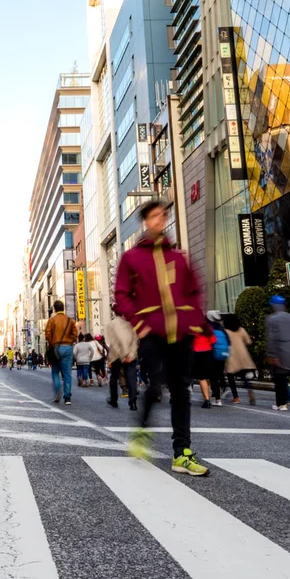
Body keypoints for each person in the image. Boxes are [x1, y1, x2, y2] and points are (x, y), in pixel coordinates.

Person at [113, 199, 210, 476]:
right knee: (155, 386)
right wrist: (140, 322)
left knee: (181, 390)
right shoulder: (131, 258)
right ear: (145, 221)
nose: (160, 220)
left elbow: (194, 291)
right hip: (152, 332)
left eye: (163, 216)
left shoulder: (179, 257)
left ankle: (182, 452)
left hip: (181, 333)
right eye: (155, 216)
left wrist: (195, 322)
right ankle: (142, 430)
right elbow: (121, 295)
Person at [264, 296, 290, 411]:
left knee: (280, 380)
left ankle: (282, 404)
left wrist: (272, 354)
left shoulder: (272, 319)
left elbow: (271, 338)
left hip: (280, 353)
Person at [44, 300, 78, 404]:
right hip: (67, 347)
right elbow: (75, 335)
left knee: (55, 371)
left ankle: (58, 388)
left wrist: (51, 342)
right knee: (67, 373)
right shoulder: (70, 321)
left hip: (56, 347)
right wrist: (70, 341)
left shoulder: (52, 320)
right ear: (63, 308)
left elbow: (47, 334)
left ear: (54, 309)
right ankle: (67, 397)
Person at [104, 314, 139, 409]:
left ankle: (113, 399)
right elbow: (135, 340)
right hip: (130, 355)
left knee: (114, 376)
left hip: (117, 356)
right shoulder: (131, 322)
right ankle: (133, 401)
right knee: (131, 376)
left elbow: (113, 343)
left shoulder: (111, 324)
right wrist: (131, 355)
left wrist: (122, 357)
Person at [222, 312, 256, 404]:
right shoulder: (241, 329)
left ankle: (236, 397)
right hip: (243, 355)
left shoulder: (225, 331)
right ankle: (249, 390)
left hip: (231, 356)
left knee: (231, 377)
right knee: (245, 377)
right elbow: (248, 341)